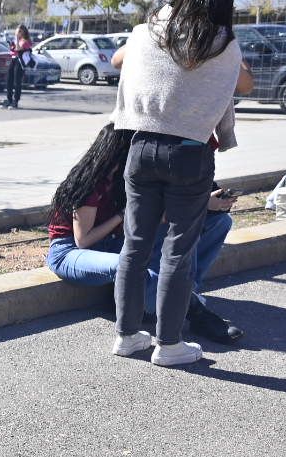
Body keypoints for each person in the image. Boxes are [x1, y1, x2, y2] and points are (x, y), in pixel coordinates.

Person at [110, 0, 248, 367]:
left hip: (140, 146)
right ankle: (168, 345)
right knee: (177, 251)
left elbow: (119, 60)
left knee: (134, 246)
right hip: (190, 152)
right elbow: (238, 88)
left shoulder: (148, 32)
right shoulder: (226, 45)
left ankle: (126, 336)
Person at [47, 124, 242, 344]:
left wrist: (206, 204)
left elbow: (160, 216)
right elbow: (84, 240)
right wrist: (123, 214)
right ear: (121, 150)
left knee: (214, 223)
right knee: (128, 267)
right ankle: (193, 310)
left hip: (113, 242)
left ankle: (184, 292)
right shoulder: (93, 182)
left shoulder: (126, 180)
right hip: (70, 251)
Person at [4, 24, 34, 109]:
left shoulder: (25, 41)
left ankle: (15, 100)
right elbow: (12, 50)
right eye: (17, 31)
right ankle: (9, 99)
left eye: (20, 31)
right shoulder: (16, 40)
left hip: (19, 61)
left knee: (17, 81)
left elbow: (18, 49)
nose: (18, 33)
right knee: (9, 79)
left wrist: (17, 39)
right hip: (13, 60)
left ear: (24, 32)